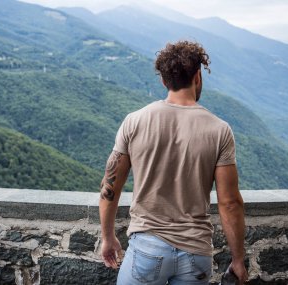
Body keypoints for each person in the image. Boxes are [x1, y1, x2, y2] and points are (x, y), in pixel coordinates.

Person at [99, 40, 248, 285]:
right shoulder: (220, 130)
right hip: (196, 252)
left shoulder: (134, 122)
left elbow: (110, 188)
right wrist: (238, 260)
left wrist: (107, 237)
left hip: (146, 248)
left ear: (163, 80)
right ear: (198, 76)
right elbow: (230, 203)